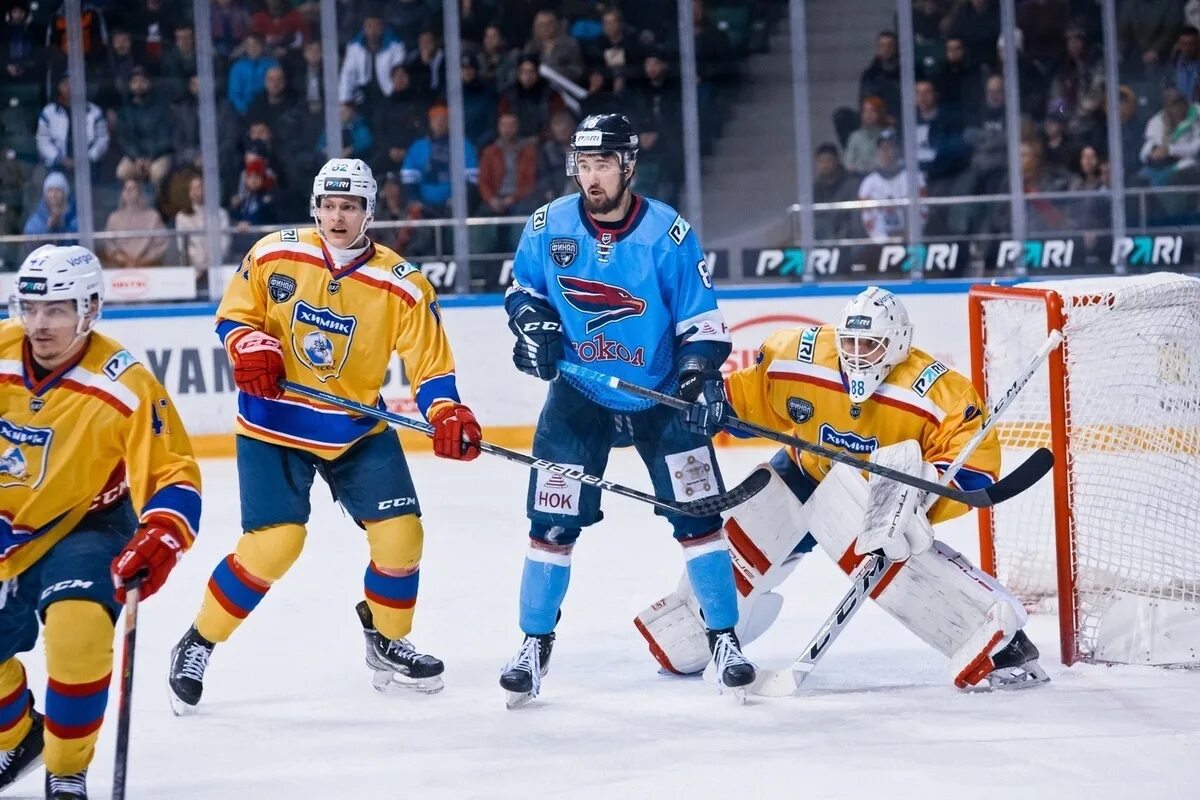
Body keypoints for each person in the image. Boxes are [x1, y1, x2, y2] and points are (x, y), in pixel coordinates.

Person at [166, 158, 482, 714]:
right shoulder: (272, 253)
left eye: (350, 206)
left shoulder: (402, 284)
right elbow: (234, 317)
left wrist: (447, 410)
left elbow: (430, 366)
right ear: (317, 207)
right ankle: (198, 641)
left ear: (369, 212)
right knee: (274, 545)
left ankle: (386, 639)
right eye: (330, 205)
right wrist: (248, 345)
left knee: (402, 537)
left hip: (354, 426)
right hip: (273, 423)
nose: (338, 217)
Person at [637, 287, 1048, 692]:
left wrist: (923, 499)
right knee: (740, 546)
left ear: (898, 343)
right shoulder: (801, 358)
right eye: (849, 342)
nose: (856, 354)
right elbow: (749, 396)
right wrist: (713, 404)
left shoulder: (940, 393)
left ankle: (999, 641)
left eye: (869, 345)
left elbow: (973, 471)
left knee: (900, 558)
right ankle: (695, 629)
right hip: (802, 471)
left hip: (873, 499)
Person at [499, 113, 754, 708]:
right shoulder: (547, 226)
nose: (592, 178)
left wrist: (695, 375)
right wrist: (532, 325)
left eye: (604, 165)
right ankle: (533, 647)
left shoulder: (667, 233)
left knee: (698, 519)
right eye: (584, 166)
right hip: (578, 397)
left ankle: (725, 640)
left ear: (628, 166)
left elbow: (702, 322)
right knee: (551, 524)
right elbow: (523, 291)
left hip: (658, 394)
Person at [0, 245, 201, 798]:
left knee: (78, 632)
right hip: (5, 528)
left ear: (89, 309)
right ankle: (19, 739)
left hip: (86, 527)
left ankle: (67, 769)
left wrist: (162, 534)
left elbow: (174, 474)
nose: (39, 325)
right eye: (30, 307)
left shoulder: (125, 383)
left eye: (57, 310)